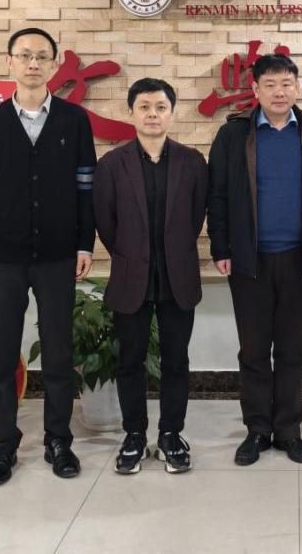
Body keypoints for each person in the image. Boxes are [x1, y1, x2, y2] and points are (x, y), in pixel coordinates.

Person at [0, 27, 97, 486]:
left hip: (58, 256)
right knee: (1, 356)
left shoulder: (74, 121)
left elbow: (86, 186)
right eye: (24, 56)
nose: (33, 63)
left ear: (55, 64)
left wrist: (85, 243)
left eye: (42, 56)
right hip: (2, 257)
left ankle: (58, 440)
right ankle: (3, 447)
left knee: (58, 354)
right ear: (9, 63)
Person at [208, 53, 302, 466]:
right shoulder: (233, 135)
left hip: (299, 258)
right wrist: (221, 248)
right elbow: (217, 194)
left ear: (297, 87)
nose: (279, 92)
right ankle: (257, 430)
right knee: (254, 350)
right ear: (256, 89)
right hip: (250, 260)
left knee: (293, 349)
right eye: (270, 84)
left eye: (286, 83)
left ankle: (289, 430)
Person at [93, 78, 208, 475]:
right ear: (131, 113)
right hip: (131, 277)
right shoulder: (111, 165)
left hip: (178, 277)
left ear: (171, 113)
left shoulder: (193, 162)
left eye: (161, 107)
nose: (152, 114)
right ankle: (135, 435)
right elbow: (106, 223)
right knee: (130, 361)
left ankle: (171, 434)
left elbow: (195, 217)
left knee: (176, 360)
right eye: (144, 107)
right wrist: (131, 255)